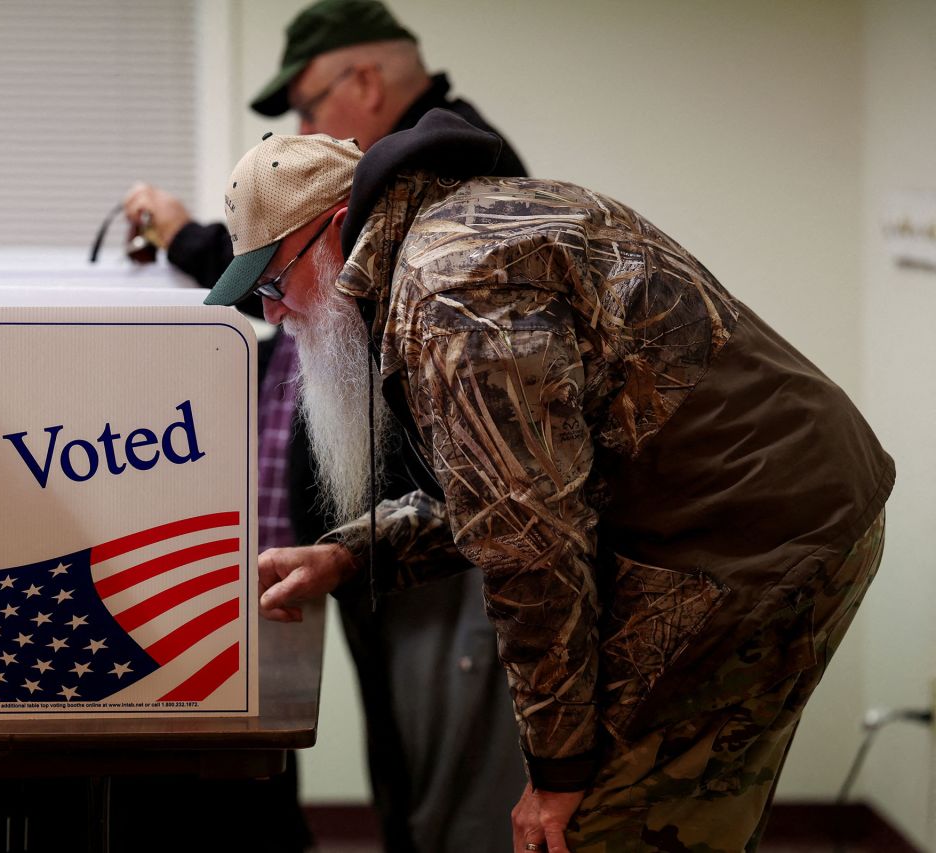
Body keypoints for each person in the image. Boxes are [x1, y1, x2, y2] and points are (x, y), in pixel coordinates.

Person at [202, 113, 893, 852]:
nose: (273, 313)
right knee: (679, 812)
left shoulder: (450, 289)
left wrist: (558, 773)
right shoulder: (464, 225)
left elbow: (530, 544)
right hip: (781, 508)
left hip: (744, 538)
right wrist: (349, 553)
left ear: (339, 228)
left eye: (274, 281)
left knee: (599, 829)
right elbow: (514, 482)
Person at [123, 3, 530, 850]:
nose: (306, 131)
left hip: (435, 539)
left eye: (309, 108)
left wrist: (181, 233)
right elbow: (299, 282)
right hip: (377, 534)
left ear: (367, 82)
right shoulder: (381, 196)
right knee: (403, 750)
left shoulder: (447, 179)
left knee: (444, 767)